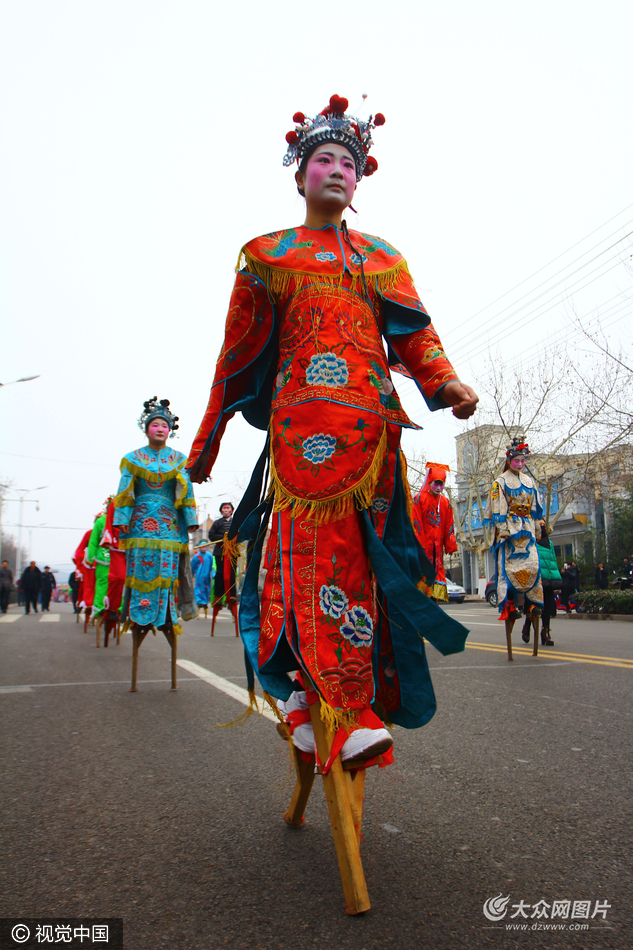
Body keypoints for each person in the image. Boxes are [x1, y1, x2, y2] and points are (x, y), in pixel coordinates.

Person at [186, 95, 478, 766]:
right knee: (311, 560)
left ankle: (343, 700)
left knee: (371, 569)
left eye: (349, 162)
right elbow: (234, 356)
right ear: (300, 176)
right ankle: (319, 700)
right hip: (303, 440)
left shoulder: (382, 258)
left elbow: (416, 336)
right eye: (324, 159)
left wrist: (445, 383)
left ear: (360, 178)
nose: (338, 170)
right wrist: (207, 442)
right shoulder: (266, 256)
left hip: (374, 437)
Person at [113, 398, 198, 635]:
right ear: (146, 429)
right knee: (138, 570)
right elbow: (125, 491)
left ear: (170, 431)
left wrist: (191, 518)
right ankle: (137, 617)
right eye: (155, 425)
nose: (160, 429)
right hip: (139, 524)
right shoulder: (132, 459)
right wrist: (122, 518)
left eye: (164, 425)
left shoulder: (179, 459)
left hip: (169, 526)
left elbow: (187, 492)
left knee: (167, 573)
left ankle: (167, 616)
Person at [485, 438, 544, 622]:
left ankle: (532, 603)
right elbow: (498, 508)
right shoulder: (500, 482)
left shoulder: (529, 481)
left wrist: (537, 527)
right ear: (509, 461)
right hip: (510, 531)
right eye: (517, 461)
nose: (520, 464)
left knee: (533, 566)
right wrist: (503, 530)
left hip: (527, 530)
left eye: (523, 461)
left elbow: (534, 508)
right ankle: (509, 604)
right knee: (507, 569)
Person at [411, 463, 458, 603]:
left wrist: (450, 545)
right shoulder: (419, 499)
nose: (438, 488)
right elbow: (415, 523)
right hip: (423, 548)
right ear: (429, 482)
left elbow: (449, 525)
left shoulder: (445, 502)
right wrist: (419, 546)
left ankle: (434, 603)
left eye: (441, 484)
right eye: (435, 484)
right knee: (422, 578)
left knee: (437, 578)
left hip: (437, 550)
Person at [529, 521, 561, 645]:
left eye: (544, 524)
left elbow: (553, 561)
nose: (542, 526)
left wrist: (555, 579)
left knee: (547, 607)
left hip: (548, 580)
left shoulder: (550, 543)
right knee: (533, 606)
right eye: (540, 524)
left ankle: (545, 632)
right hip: (536, 579)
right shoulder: (532, 542)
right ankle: (527, 626)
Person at [208, 502, 237, 627]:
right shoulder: (217, 523)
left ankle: (232, 595)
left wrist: (232, 538)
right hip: (220, 552)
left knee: (232, 574)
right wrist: (222, 538)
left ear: (231, 510)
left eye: (228, 508)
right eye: (224, 508)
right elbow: (211, 535)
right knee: (219, 574)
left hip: (233, 552)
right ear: (221, 511)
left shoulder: (236, 522)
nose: (226, 510)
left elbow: (240, 534)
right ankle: (219, 596)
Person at [191, 541, 216, 617]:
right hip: (199, 577)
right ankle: (199, 602)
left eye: (205, 546)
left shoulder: (209, 556)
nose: (204, 548)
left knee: (206, 589)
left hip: (206, 577)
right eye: (202, 546)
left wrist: (213, 574)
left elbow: (213, 566)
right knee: (198, 589)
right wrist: (191, 574)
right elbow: (192, 567)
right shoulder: (196, 556)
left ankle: (204, 602)